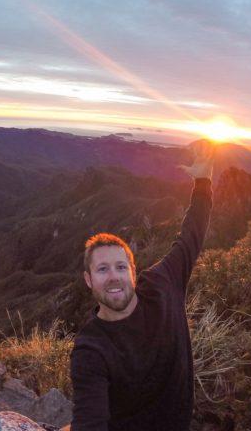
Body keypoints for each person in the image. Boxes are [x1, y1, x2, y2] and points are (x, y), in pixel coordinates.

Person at [65, 141, 215, 431]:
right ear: (88, 280)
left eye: (121, 267)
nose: (113, 277)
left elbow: (192, 233)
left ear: (134, 272)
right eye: (102, 269)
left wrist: (203, 180)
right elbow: (89, 419)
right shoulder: (91, 349)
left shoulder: (162, 284)